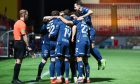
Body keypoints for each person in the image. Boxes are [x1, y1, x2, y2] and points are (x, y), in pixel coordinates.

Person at [74, 0, 106, 70]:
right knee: (90, 49)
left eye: (75, 6)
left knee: (92, 46)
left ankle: (101, 60)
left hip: (90, 31)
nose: (74, 8)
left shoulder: (84, 9)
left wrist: (83, 16)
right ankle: (99, 60)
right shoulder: (78, 12)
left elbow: (91, 12)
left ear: (78, 6)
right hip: (86, 32)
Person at [12, 9, 32, 84]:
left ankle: (15, 78)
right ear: (24, 15)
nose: (28, 16)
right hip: (20, 43)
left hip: (16, 42)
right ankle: (15, 79)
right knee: (19, 61)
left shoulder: (17, 22)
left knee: (17, 61)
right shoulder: (22, 23)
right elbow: (24, 35)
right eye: (27, 14)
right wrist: (28, 45)